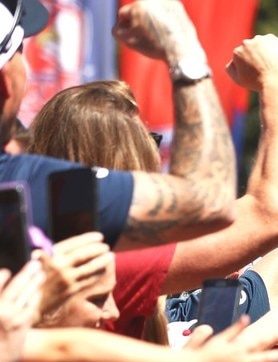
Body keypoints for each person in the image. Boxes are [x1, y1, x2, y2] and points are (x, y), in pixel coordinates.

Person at [0, 0, 239, 250]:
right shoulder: (39, 188)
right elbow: (213, 202)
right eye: (20, 51)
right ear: (6, 80)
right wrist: (182, 45)